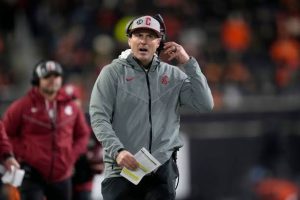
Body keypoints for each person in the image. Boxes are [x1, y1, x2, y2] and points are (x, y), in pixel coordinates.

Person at [89, 14, 214, 200]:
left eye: (150, 36)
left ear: (159, 42)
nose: (144, 41)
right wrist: (117, 151)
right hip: (122, 169)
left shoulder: (174, 75)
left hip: (161, 171)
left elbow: (204, 104)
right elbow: (99, 118)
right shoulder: (112, 74)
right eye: (138, 35)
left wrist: (188, 63)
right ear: (129, 40)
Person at [2, 60, 91, 200]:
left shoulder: (72, 107)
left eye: (56, 76)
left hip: (62, 175)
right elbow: (5, 133)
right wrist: (25, 153)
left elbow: (83, 134)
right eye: (47, 77)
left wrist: (70, 156)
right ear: (37, 80)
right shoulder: (21, 106)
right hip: (32, 174)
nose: (52, 80)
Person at [63, 84, 104, 200]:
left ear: (80, 101)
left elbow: (102, 144)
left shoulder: (91, 121)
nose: (70, 104)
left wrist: (97, 157)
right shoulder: (54, 123)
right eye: (66, 100)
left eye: (74, 99)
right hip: (61, 180)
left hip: (84, 178)